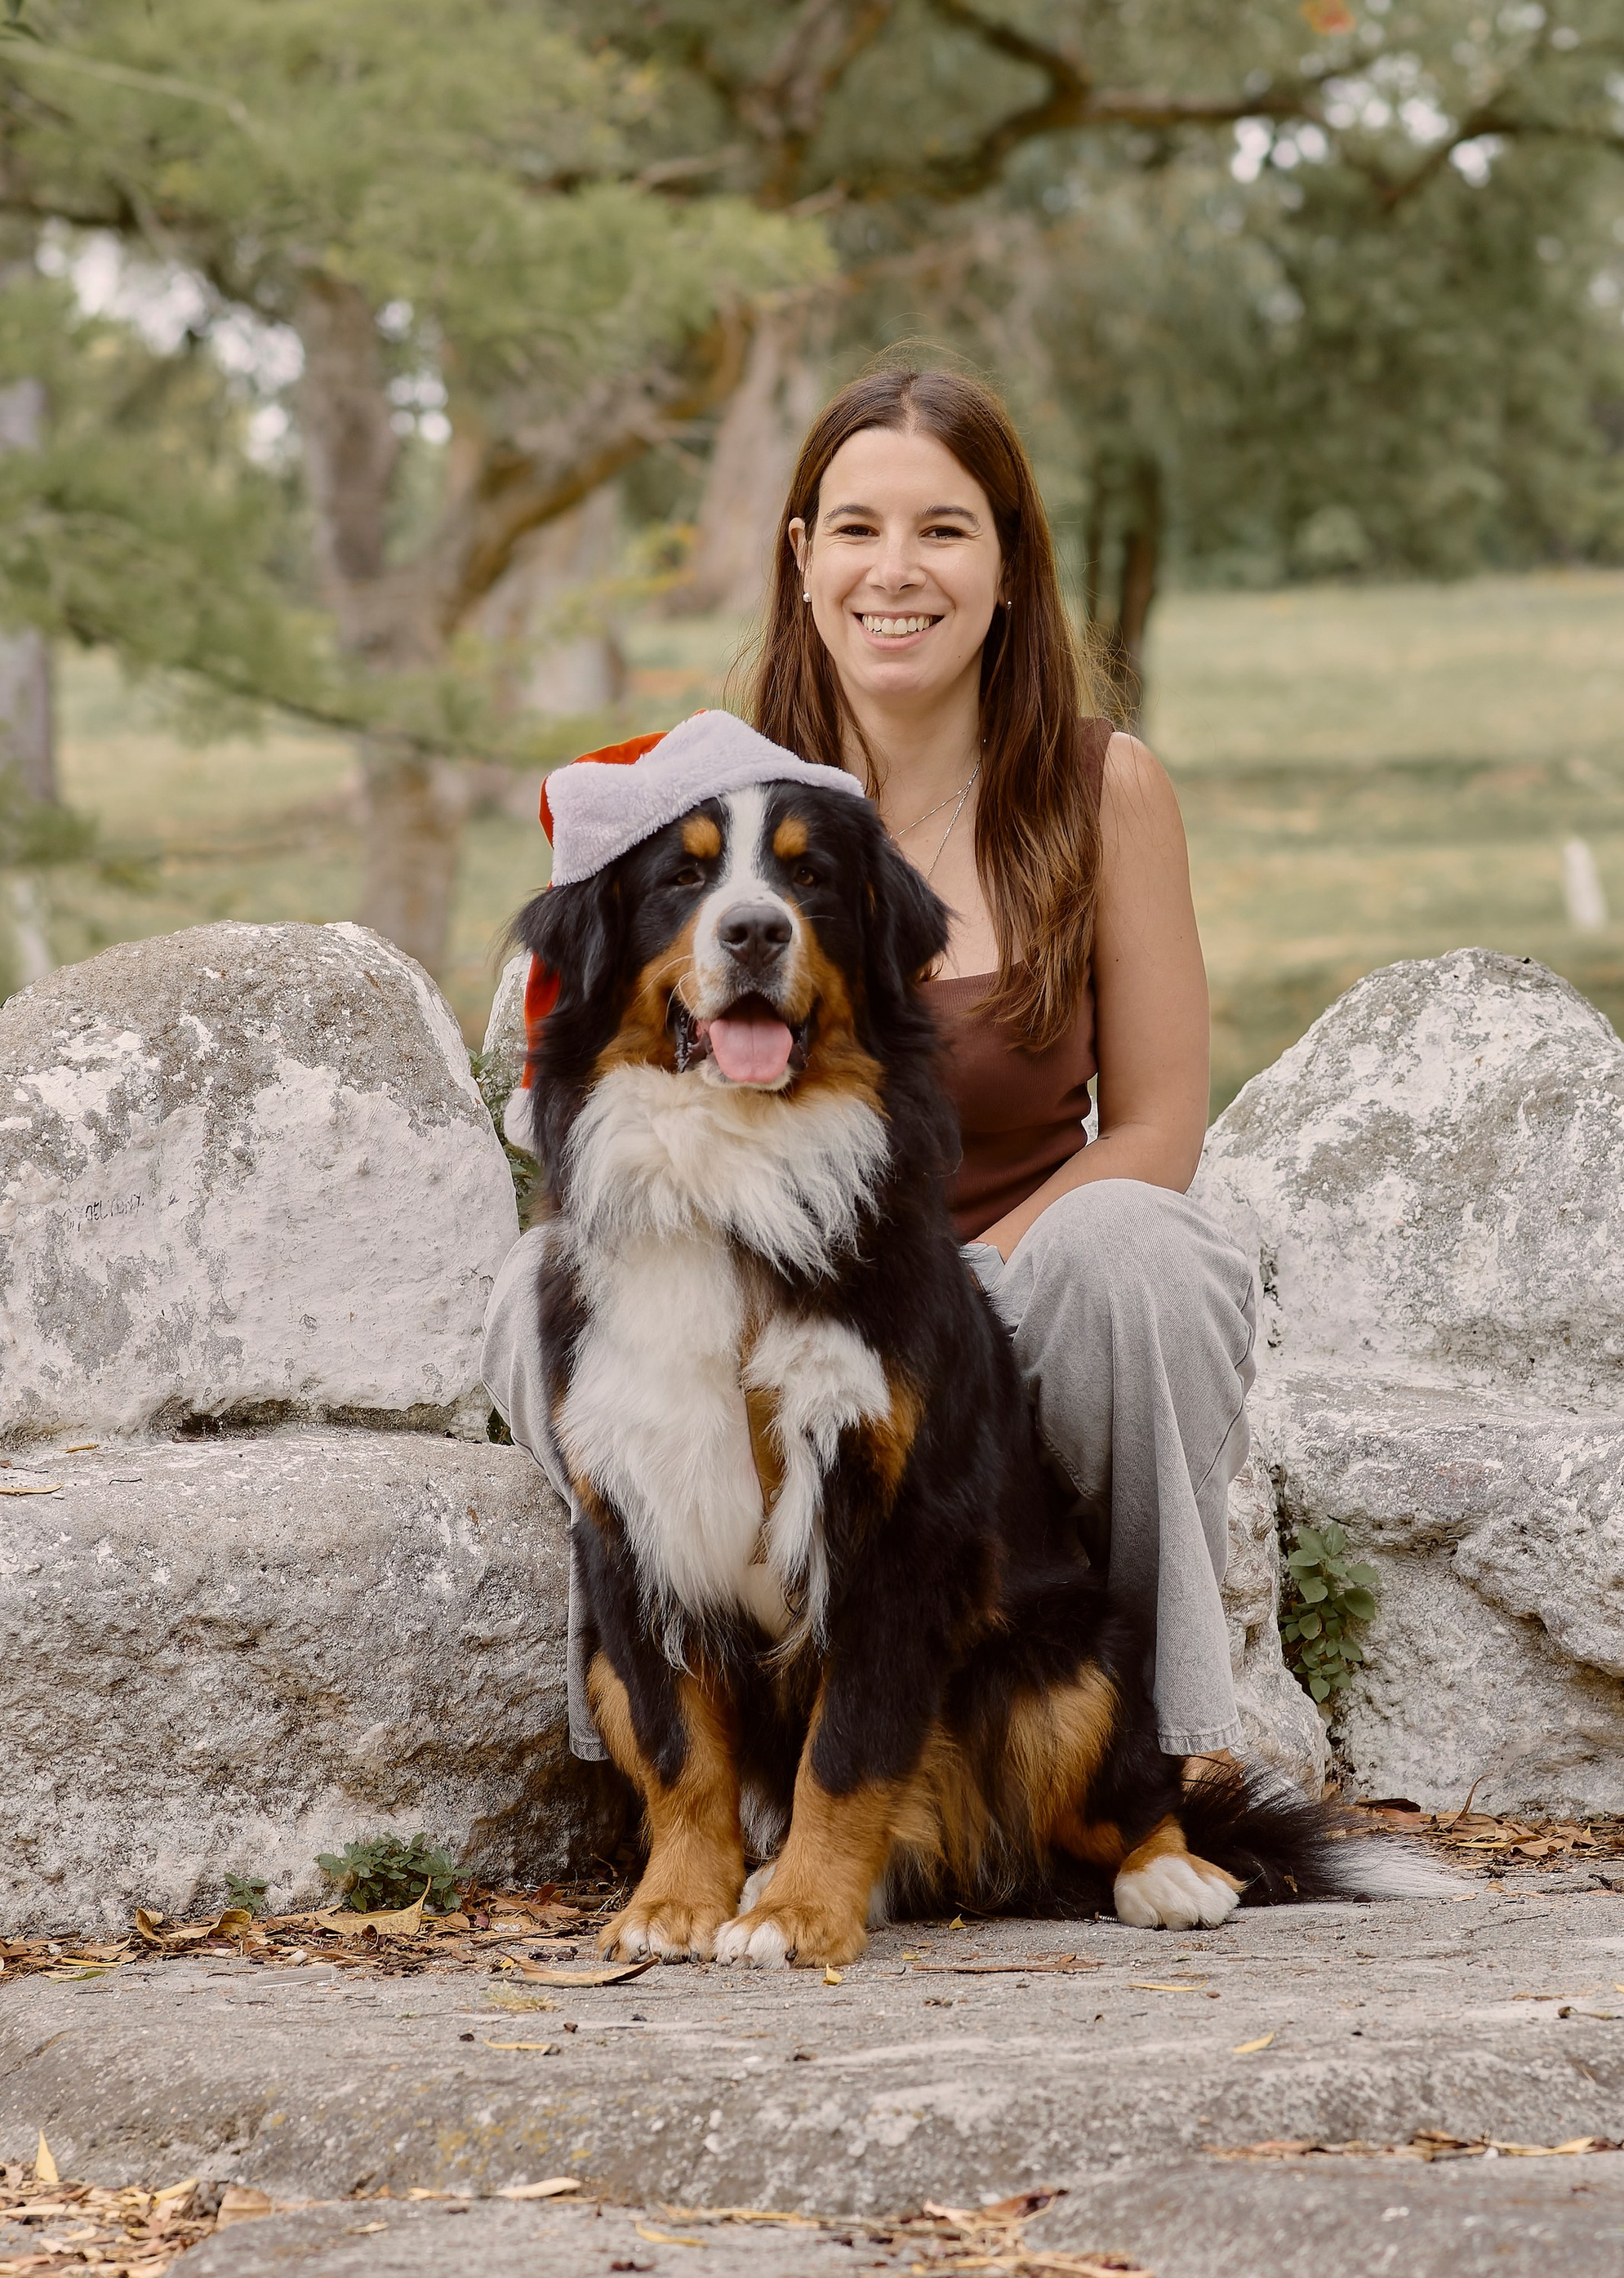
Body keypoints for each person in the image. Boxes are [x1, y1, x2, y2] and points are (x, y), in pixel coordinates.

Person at [483, 359, 1255, 1773]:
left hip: (1007, 1297)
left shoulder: (1103, 790)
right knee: (532, 1297)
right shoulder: (696, 803)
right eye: (856, 529)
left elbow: (1156, 1121)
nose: (896, 572)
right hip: (736, 1308)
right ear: (800, 559)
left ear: (1012, 564)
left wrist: (956, 1295)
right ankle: (683, 1726)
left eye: (945, 530)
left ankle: (1153, 1743)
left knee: (1145, 1248)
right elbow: (591, 1068)